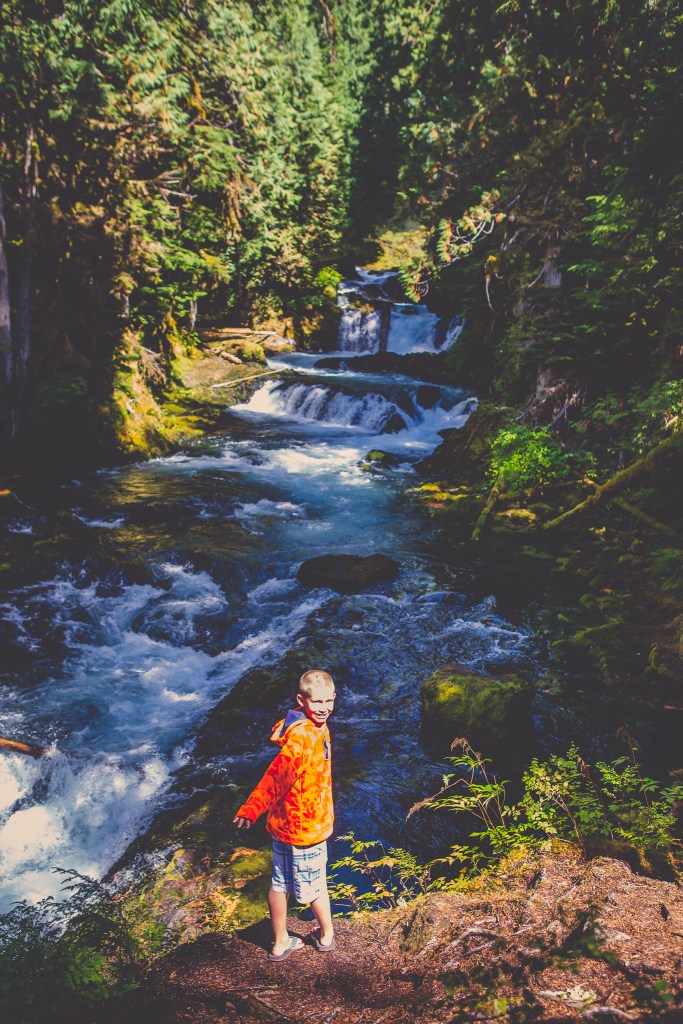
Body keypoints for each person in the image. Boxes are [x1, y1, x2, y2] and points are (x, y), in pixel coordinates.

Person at [233, 669, 336, 961]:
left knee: (280, 883)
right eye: (317, 702)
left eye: (328, 701)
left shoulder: (308, 724)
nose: (324, 708)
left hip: (285, 823)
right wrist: (252, 807)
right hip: (306, 827)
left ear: (334, 697)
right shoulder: (304, 736)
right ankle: (326, 935)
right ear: (302, 700)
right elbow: (277, 776)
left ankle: (280, 942)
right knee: (315, 885)